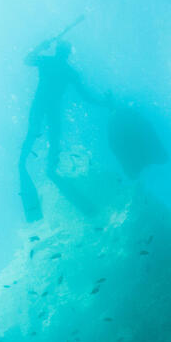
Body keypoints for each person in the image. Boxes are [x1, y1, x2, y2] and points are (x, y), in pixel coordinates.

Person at [17, 37, 107, 222]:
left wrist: (41, 46)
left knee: (33, 138)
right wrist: (104, 102)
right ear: (67, 53)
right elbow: (87, 96)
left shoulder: (48, 62)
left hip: (41, 106)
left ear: (58, 51)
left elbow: (27, 59)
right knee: (51, 145)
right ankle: (47, 169)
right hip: (51, 110)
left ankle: (26, 164)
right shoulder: (68, 72)